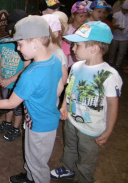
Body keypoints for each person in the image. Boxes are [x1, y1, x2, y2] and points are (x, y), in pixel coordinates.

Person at [0, 15, 64, 183]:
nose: (18, 49)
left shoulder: (30, 74)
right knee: (33, 156)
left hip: (39, 126)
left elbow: (11, 103)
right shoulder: (55, 61)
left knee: (38, 164)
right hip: (43, 121)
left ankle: (37, 178)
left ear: (35, 42)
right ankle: (30, 177)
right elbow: (59, 87)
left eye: (20, 44)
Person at [50, 21, 123, 183]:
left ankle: (84, 178)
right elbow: (69, 89)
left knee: (87, 156)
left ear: (94, 48)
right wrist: (64, 107)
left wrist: (108, 130)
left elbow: (112, 106)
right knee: (70, 147)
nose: (73, 49)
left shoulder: (109, 75)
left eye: (77, 45)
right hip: (72, 121)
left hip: (91, 129)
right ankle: (68, 168)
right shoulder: (76, 67)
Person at [0, 9, 30, 141]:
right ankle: (7, 123)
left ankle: (16, 128)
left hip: (17, 83)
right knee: (6, 104)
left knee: (17, 108)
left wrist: (10, 79)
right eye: (12, 30)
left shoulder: (25, 45)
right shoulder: (3, 43)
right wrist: (0, 77)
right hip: (4, 82)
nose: (13, 33)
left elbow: (26, 67)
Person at [64, 1, 89, 68]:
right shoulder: (66, 28)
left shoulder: (87, 29)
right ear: (73, 16)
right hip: (68, 62)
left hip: (81, 62)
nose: (84, 18)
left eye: (86, 16)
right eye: (81, 16)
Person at [108, 0, 128, 69]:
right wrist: (117, 27)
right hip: (115, 36)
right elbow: (112, 24)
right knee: (112, 51)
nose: (124, 12)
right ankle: (110, 62)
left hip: (125, 37)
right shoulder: (116, 14)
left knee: (121, 52)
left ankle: (118, 64)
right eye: (123, 10)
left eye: (126, 10)